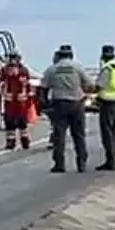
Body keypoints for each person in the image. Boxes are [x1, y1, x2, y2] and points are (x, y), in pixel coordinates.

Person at [41, 45, 92, 173]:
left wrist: (45, 103)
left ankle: (59, 164)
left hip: (59, 104)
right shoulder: (77, 67)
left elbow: (43, 87)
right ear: (71, 55)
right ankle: (81, 163)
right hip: (77, 103)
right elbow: (89, 84)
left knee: (59, 136)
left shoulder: (52, 69)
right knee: (79, 135)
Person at [95, 45, 115, 171]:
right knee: (111, 132)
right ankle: (111, 159)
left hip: (106, 103)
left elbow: (99, 85)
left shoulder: (106, 69)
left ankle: (110, 161)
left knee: (107, 134)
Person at [0, 52, 34, 150]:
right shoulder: (24, 70)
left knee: (12, 121)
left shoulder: (5, 70)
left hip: (13, 100)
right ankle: (23, 141)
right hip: (18, 99)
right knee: (18, 121)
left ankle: (14, 142)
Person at [44, 50, 61, 150]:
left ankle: (55, 140)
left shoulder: (51, 70)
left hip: (55, 99)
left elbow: (44, 85)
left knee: (56, 123)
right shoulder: (74, 68)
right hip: (63, 99)